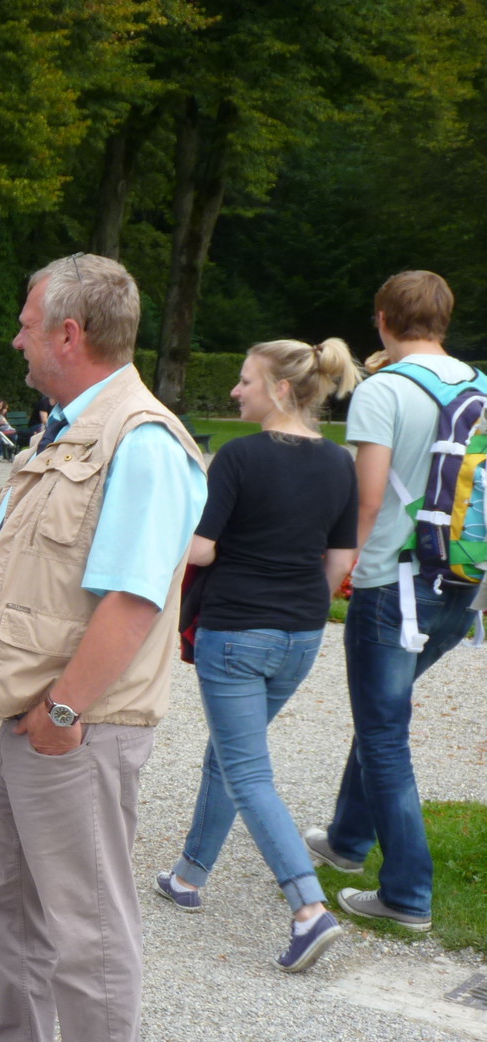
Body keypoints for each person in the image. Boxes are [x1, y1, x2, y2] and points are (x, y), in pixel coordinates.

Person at [0, 253, 205, 1042]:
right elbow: (19, 582)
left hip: (74, 728)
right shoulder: (71, 431)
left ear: (69, 335)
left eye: (27, 322)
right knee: (11, 902)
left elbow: (133, 601)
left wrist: (66, 709)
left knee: (88, 922)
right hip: (24, 720)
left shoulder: (141, 441)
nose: (16, 337)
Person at [156, 339, 361, 973]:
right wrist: (298, 606)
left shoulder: (239, 457)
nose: (236, 391)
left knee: (248, 773)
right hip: (302, 635)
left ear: (278, 390)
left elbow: (200, 551)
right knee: (231, 752)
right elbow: (340, 561)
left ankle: (307, 909)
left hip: (237, 631)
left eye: (245, 381)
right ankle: (190, 875)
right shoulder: (340, 463)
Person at [306, 271, 485, 932]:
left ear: (382, 318)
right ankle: (348, 841)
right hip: (462, 585)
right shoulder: (480, 386)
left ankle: (407, 892)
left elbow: (369, 496)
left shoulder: (382, 390)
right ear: (445, 318)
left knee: (384, 730)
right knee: (381, 713)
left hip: (394, 584)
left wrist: (335, 570)